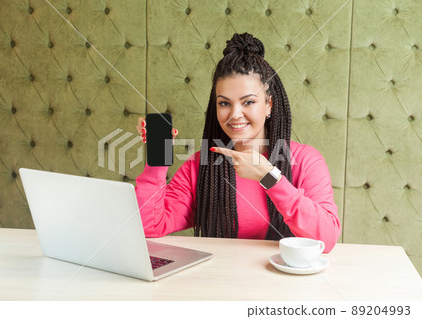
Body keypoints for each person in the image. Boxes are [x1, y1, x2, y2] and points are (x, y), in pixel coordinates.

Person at [135, 33, 340, 253]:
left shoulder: (306, 161)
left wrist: (269, 176)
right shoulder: (200, 167)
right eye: (224, 103)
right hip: (221, 281)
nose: (235, 114)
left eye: (248, 102)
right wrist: (158, 155)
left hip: (283, 283)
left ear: (268, 104)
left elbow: (326, 239)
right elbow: (149, 227)